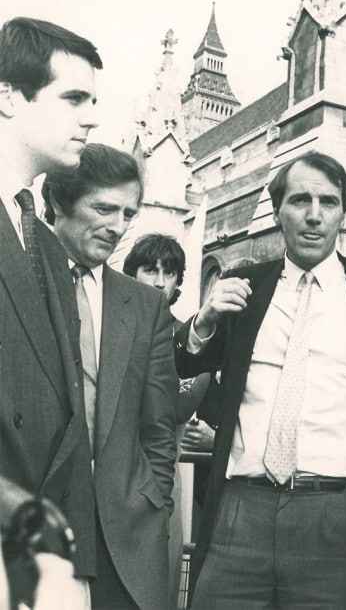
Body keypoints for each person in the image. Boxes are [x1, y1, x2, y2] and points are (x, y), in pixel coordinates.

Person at [174, 151, 346, 609]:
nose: (313, 215)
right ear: (277, 209)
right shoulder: (244, 286)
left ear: (344, 212)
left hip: (337, 518)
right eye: (300, 200)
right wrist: (203, 320)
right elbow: (180, 365)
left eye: (328, 202)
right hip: (239, 513)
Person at [42, 144, 178, 609]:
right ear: (59, 202)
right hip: (36, 527)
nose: (117, 226)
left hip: (125, 535)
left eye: (128, 213)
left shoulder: (145, 305)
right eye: (104, 208)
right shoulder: (21, 283)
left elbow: (159, 425)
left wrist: (153, 502)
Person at [0, 16, 102, 603]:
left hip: (43, 566)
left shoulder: (42, 241)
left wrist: (73, 573)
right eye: (73, 98)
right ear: (10, 98)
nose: (90, 117)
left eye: (93, 101)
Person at [122, 232, 215, 608]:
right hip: (105, 471)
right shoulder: (107, 326)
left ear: (179, 280)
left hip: (163, 474)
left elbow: (176, 408)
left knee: (161, 581)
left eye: (169, 272)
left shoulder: (190, 338)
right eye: (150, 270)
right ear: (133, 273)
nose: (160, 281)